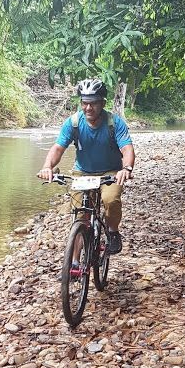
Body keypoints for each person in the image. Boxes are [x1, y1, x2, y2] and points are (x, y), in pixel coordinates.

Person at [37, 78, 135, 255]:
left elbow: (127, 148)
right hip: (82, 172)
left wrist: (126, 168)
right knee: (80, 215)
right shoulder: (73, 123)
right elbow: (58, 148)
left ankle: (112, 232)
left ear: (103, 103)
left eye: (93, 103)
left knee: (111, 200)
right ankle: (74, 263)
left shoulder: (115, 123)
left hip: (110, 172)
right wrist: (47, 167)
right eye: (84, 103)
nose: (88, 108)